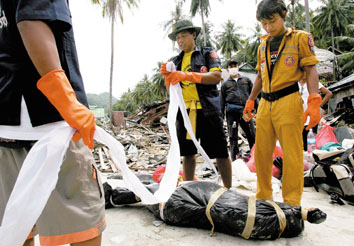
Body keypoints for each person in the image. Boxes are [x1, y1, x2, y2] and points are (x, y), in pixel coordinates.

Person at [0, 1, 105, 245]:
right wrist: (65, 100)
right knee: (83, 227)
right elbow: (32, 20)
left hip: (5, 128)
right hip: (51, 130)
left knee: (16, 229)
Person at [243, 0, 322, 206]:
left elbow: (311, 69)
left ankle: (292, 202)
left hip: (288, 100)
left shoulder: (300, 39)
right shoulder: (262, 46)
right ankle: (263, 196)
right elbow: (260, 76)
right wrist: (251, 100)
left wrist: (314, 99)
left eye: (273, 22)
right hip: (265, 105)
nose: (269, 28)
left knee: (292, 154)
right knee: (261, 153)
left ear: (284, 15)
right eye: (264, 24)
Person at [160, 19, 232, 188]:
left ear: (194, 35)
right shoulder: (175, 61)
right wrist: (167, 76)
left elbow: (216, 77)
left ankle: (229, 189)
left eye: (183, 36)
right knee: (188, 153)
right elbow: (171, 89)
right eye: (177, 38)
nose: (180, 41)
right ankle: (189, 189)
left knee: (220, 152)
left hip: (207, 110)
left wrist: (186, 76)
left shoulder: (207, 54)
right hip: (185, 112)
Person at [220, 58, 256, 161]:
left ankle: (255, 156)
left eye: (234, 66)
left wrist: (257, 109)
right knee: (233, 137)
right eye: (230, 67)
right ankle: (234, 160)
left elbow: (254, 96)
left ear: (238, 67)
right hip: (232, 114)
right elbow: (221, 102)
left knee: (251, 134)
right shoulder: (225, 85)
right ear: (227, 69)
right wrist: (221, 117)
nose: (233, 68)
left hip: (246, 112)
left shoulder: (246, 80)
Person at [299, 73, 333, 151]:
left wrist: (318, 106)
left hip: (311, 116)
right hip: (300, 116)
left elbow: (329, 93)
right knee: (301, 141)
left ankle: (312, 158)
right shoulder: (295, 84)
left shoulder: (313, 83)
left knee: (310, 141)